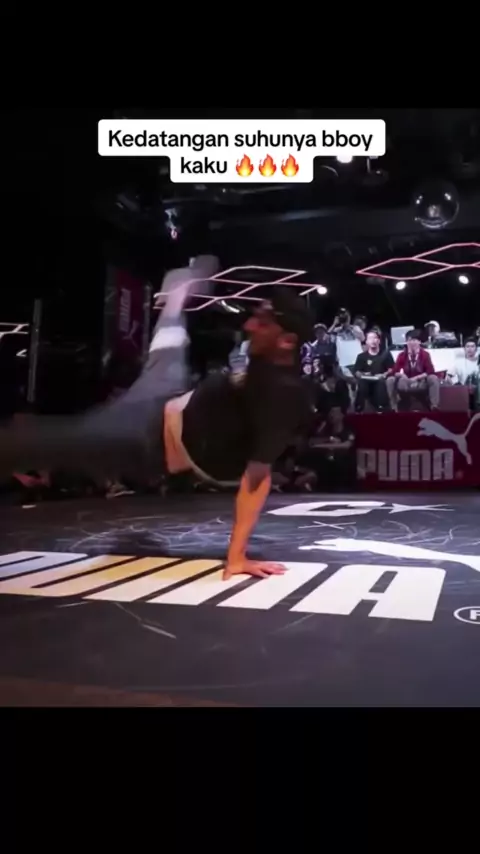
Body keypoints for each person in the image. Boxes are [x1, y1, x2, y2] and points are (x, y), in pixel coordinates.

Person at [0, 257, 315, 581]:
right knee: (169, 346)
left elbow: (258, 477)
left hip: (145, 437)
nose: (248, 326)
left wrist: (236, 556)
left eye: (262, 323)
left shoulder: (283, 395)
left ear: (286, 341)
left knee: (37, 441)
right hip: (168, 394)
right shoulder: (262, 356)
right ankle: (178, 293)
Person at [386, 330, 440, 411]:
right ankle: (394, 407)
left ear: (419, 342)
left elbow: (430, 371)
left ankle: (434, 406)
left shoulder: (425, 354)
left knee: (433, 378)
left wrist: (416, 378)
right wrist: (402, 375)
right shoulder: (402, 355)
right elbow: (394, 371)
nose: (412, 343)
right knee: (390, 379)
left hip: (421, 382)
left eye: (414, 340)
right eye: (409, 340)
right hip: (405, 382)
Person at [353, 329, 394, 412]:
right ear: (366, 342)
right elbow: (356, 371)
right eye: (370, 338)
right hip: (366, 379)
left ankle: (382, 407)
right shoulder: (361, 356)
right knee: (362, 383)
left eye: (375, 338)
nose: (373, 340)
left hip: (380, 379)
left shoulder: (385, 354)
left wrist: (384, 374)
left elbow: (391, 368)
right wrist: (362, 374)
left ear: (379, 341)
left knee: (380, 383)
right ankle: (359, 408)